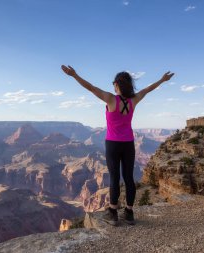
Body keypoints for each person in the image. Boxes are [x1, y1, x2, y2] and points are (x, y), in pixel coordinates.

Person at [61, 65, 174, 226]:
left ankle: (113, 213)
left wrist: (74, 75)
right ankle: (129, 212)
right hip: (128, 144)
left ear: (117, 85)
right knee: (128, 178)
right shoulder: (134, 100)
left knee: (114, 178)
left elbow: (91, 88)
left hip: (113, 144)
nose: (113, 86)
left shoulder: (111, 99)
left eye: (114, 83)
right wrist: (162, 80)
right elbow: (148, 89)